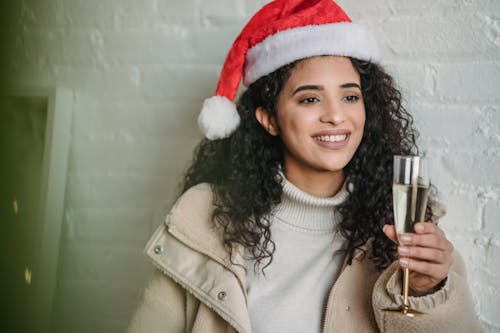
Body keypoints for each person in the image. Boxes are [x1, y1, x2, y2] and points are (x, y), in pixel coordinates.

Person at [127, 0, 482, 332]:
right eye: (310, 98)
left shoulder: (407, 223)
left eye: (350, 96)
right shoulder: (204, 218)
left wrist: (427, 290)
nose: (335, 115)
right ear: (269, 119)